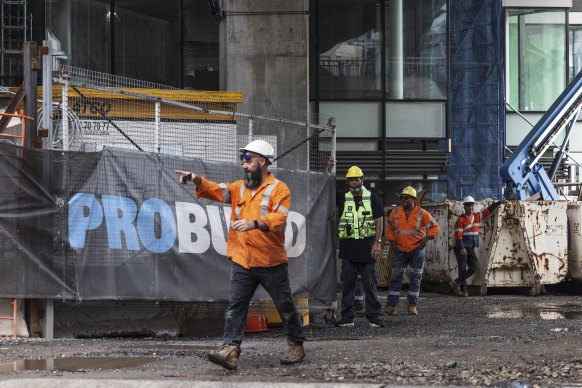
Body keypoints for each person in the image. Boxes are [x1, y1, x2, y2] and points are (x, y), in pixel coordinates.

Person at [176, 139, 306, 370]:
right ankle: (230, 350)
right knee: (236, 305)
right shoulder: (239, 187)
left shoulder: (279, 189)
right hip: (242, 259)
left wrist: (255, 223)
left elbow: (279, 219)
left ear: (262, 162)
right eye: (242, 160)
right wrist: (196, 179)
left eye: (248, 159)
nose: (244, 165)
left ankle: (296, 344)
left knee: (284, 304)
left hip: (270, 260)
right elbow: (216, 190)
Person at [334, 165, 384, 328]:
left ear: (362, 180)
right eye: (351, 180)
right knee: (347, 284)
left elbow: (379, 220)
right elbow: (324, 188)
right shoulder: (342, 197)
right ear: (348, 182)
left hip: (367, 248)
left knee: (370, 284)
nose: (354, 182)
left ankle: (374, 317)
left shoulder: (373, 198)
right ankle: (347, 318)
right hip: (348, 249)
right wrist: (328, 170)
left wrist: (377, 242)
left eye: (356, 179)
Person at [384, 186, 440, 316]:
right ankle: (391, 306)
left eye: (406, 198)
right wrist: (393, 244)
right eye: (402, 198)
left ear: (414, 199)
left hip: (416, 251)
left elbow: (435, 228)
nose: (403, 200)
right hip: (400, 251)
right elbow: (390, 229)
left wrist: (425, 240)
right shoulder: (395, 213)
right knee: (396, 278)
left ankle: (412, 306)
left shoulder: (422, 213)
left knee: (415, 279)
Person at [450, 196, 506, 297]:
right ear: (464, 207)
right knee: (462, 269)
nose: (470, 208)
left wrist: (498, 203)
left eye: (471, 206)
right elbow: (458, 236)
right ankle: (464, 291)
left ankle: (456, 282)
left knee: (474, 267)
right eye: (468, 206)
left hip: (470, 247)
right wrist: (462, 248)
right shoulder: (460, 220)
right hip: (461, 248)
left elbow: (488, 210)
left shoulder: (476, 217)